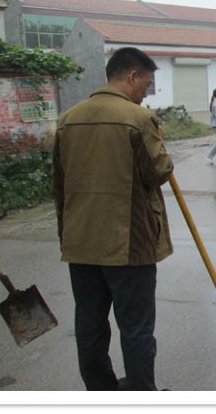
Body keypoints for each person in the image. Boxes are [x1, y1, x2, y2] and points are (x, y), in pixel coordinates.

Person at [51, 46, 174, 391]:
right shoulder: (138, 119)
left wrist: (67, 235)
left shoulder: (68, 120)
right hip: (128, 244)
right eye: (147, 85)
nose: (146, 93)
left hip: (80, 243)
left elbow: (58, 186)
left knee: (90, 326)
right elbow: (159, 171)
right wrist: (160, 143)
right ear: (132, 77)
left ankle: (102, 394)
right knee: (135, 328)